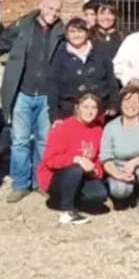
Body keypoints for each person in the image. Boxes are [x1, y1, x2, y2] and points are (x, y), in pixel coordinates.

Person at [0, 0, 65, 203]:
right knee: (19, 141)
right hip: (22, 91)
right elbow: (0, 44)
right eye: (50, 8)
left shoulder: (61, 33)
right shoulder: (23, 26)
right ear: (40, 6)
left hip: (46, 95)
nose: (53, 14)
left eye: (57, 10)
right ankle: (20, 184)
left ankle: (41, 182)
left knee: (43, 142)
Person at [37, 92, 107, 225]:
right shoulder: (63, 127)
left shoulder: (98, 130)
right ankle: (67, 211)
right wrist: (76, 159)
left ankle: (72, 200)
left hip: (83, 175)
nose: (90, 111)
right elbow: (50, 160)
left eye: (94, 108)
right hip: (57, 177)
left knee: (99, 194)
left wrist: (96, 170)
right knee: (75, 169)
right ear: (77, 108)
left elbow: (98, 158)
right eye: (86, 107)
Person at [44, 17, 119, 121]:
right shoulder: (59, 56)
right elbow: (53, 86)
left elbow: (111, 79)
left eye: (80, 31)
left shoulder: (100, 52)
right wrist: (54, 115)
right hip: (69, 111)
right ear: (67, 35)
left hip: (100, 110)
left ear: (87, 33)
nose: (76, 35)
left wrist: (113, 104)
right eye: (72, 31)